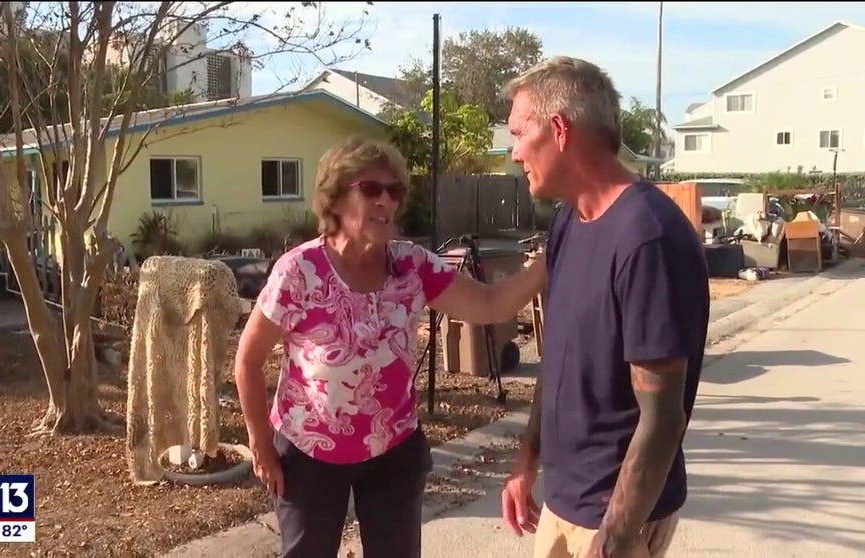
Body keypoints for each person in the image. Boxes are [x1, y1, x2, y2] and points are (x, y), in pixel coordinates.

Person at [234, 135, 547, 558]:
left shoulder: (412, 266)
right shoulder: (299, 272)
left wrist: (548, 262)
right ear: (336, 199)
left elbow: (490, 304)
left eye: (394, 191)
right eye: (370, 189)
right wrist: (260, 446)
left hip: (393, 451)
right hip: (308, 452)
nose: (386, 200)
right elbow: (249, 361)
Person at [498, 56, 710, 558]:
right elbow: (560, 353)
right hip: (564, 501)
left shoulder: (647, 238)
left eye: (518, 133)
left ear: (559, 129)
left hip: (614, 519)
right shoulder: (570, 222)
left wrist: (613, 542)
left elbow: (662, 419)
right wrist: (528, 457)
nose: (513, 153)